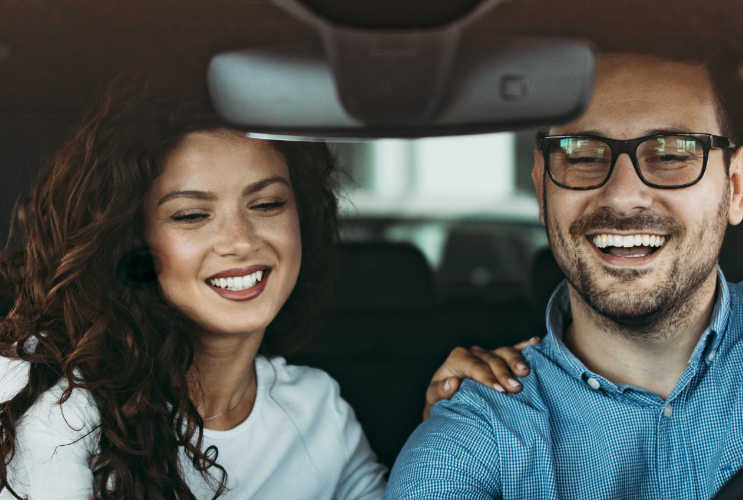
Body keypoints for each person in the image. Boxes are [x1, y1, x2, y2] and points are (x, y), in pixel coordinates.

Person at [385, 52, 743, 499]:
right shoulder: (482, 428)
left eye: (673, 152)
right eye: (583, 154)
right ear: (543, 188)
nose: (624, 195)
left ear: (737, 187)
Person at [0, 77, 534, 500]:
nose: (240, 241)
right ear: (129, 241)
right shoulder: (47, 395)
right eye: (191, 215)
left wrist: (444, 425)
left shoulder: (316, 410)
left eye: (267, 204)